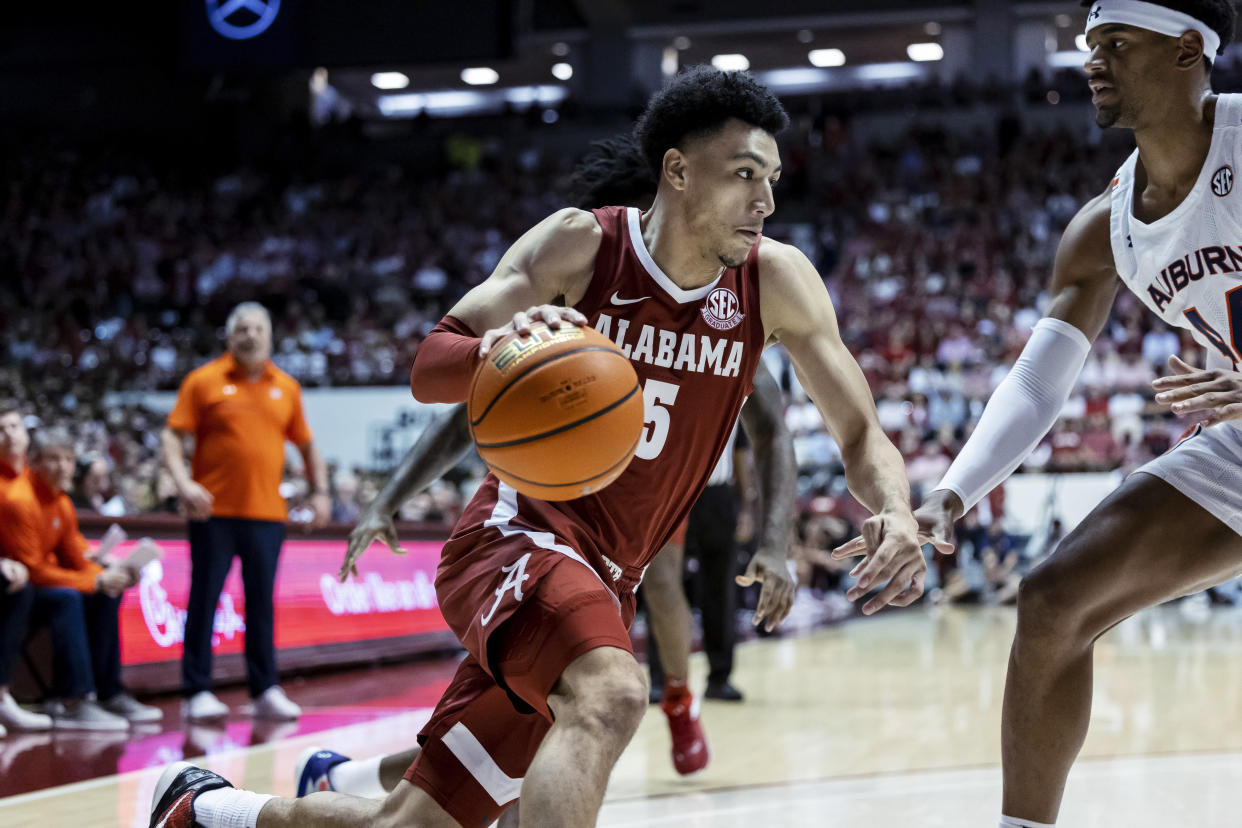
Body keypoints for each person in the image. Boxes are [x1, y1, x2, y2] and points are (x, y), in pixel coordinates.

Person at [152, 65, 923, 828]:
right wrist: (498, 356)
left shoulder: (774, 282)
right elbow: (431, 364)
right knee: (614, 693)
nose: (767, 201)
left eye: (774, 178)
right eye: (746, 174)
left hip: (609, 579)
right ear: (679, 172)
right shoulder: (582, 246)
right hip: (517, 537)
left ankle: (209, 810)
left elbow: (858, 431)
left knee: (413, 825)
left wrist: (895, 508)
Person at [296, 135, 797, 805]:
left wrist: (775, 538)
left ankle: (300, 788)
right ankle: (678, 698)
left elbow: (771, 425)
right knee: (601, 697)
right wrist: (391, 496)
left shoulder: (720, 311)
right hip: (539, 533)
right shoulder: (576, 299)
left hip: (638, 529)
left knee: (469, 793)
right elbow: (469, 408)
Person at [837, 3, 1242, 825]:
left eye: (1117, 44)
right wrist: (947, 499)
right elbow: (1036, 385)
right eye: (1091, 46)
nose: (1094, 61)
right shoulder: (1106, 227)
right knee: (1055, 599)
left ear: (1189, 49)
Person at [160, 301, 331, 723]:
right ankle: (196, 691)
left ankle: (264, 689)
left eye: (258, 328)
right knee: (204, 599)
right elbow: (171, 435)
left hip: (267, 515)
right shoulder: (203, 381)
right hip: (212, 513)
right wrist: (183, 484)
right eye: (242, 329)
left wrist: (321, 492)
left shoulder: (286, 387)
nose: (250, 335)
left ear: (270, 336)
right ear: (229, 336)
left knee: (260, 604)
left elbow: (307, 444)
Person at [0, 426, 160, 728]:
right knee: (68, 598)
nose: (62, 466)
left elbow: (76, 556)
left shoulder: (61, 501)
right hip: (20, 592)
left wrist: (108, 575)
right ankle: (72, 700)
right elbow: (32, 570)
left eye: (68, 459)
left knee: (105, 594)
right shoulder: (19, 499)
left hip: (41, 585)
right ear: (34, 461)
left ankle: (109, 693)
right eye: (53, 459)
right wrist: (95, 581)